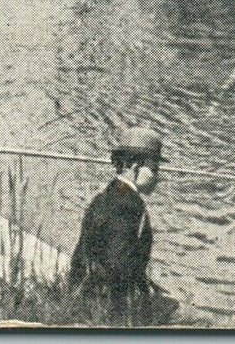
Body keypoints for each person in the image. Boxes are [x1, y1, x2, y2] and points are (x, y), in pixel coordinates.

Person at [67, 126, 165, 325]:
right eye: (154, 170)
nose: (158, 177)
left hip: (88, 293)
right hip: (108, 308)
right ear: (134, 167)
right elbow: (118, 268)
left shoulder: (106, 195)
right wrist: (143, 298)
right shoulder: (127, 207)